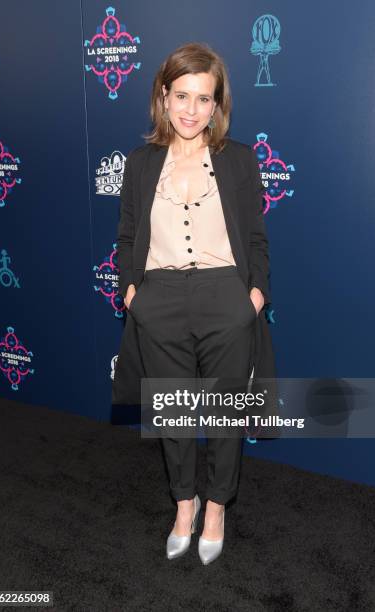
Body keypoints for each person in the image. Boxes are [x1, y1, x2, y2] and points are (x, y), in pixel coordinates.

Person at [115, 42, 274, 565]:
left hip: (225, 298)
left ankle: (217, 508)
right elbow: (127, 236)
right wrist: (132, 294)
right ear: (163, 97)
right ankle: (184, 504)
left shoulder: (239, 161)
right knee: (176, 414)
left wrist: (252, 297)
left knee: (227, 416)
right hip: (158, 300)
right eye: (181, 95)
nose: (190, 109)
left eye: (203, 99)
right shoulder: (140, 163)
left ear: (216, 105)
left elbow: (255, 239)